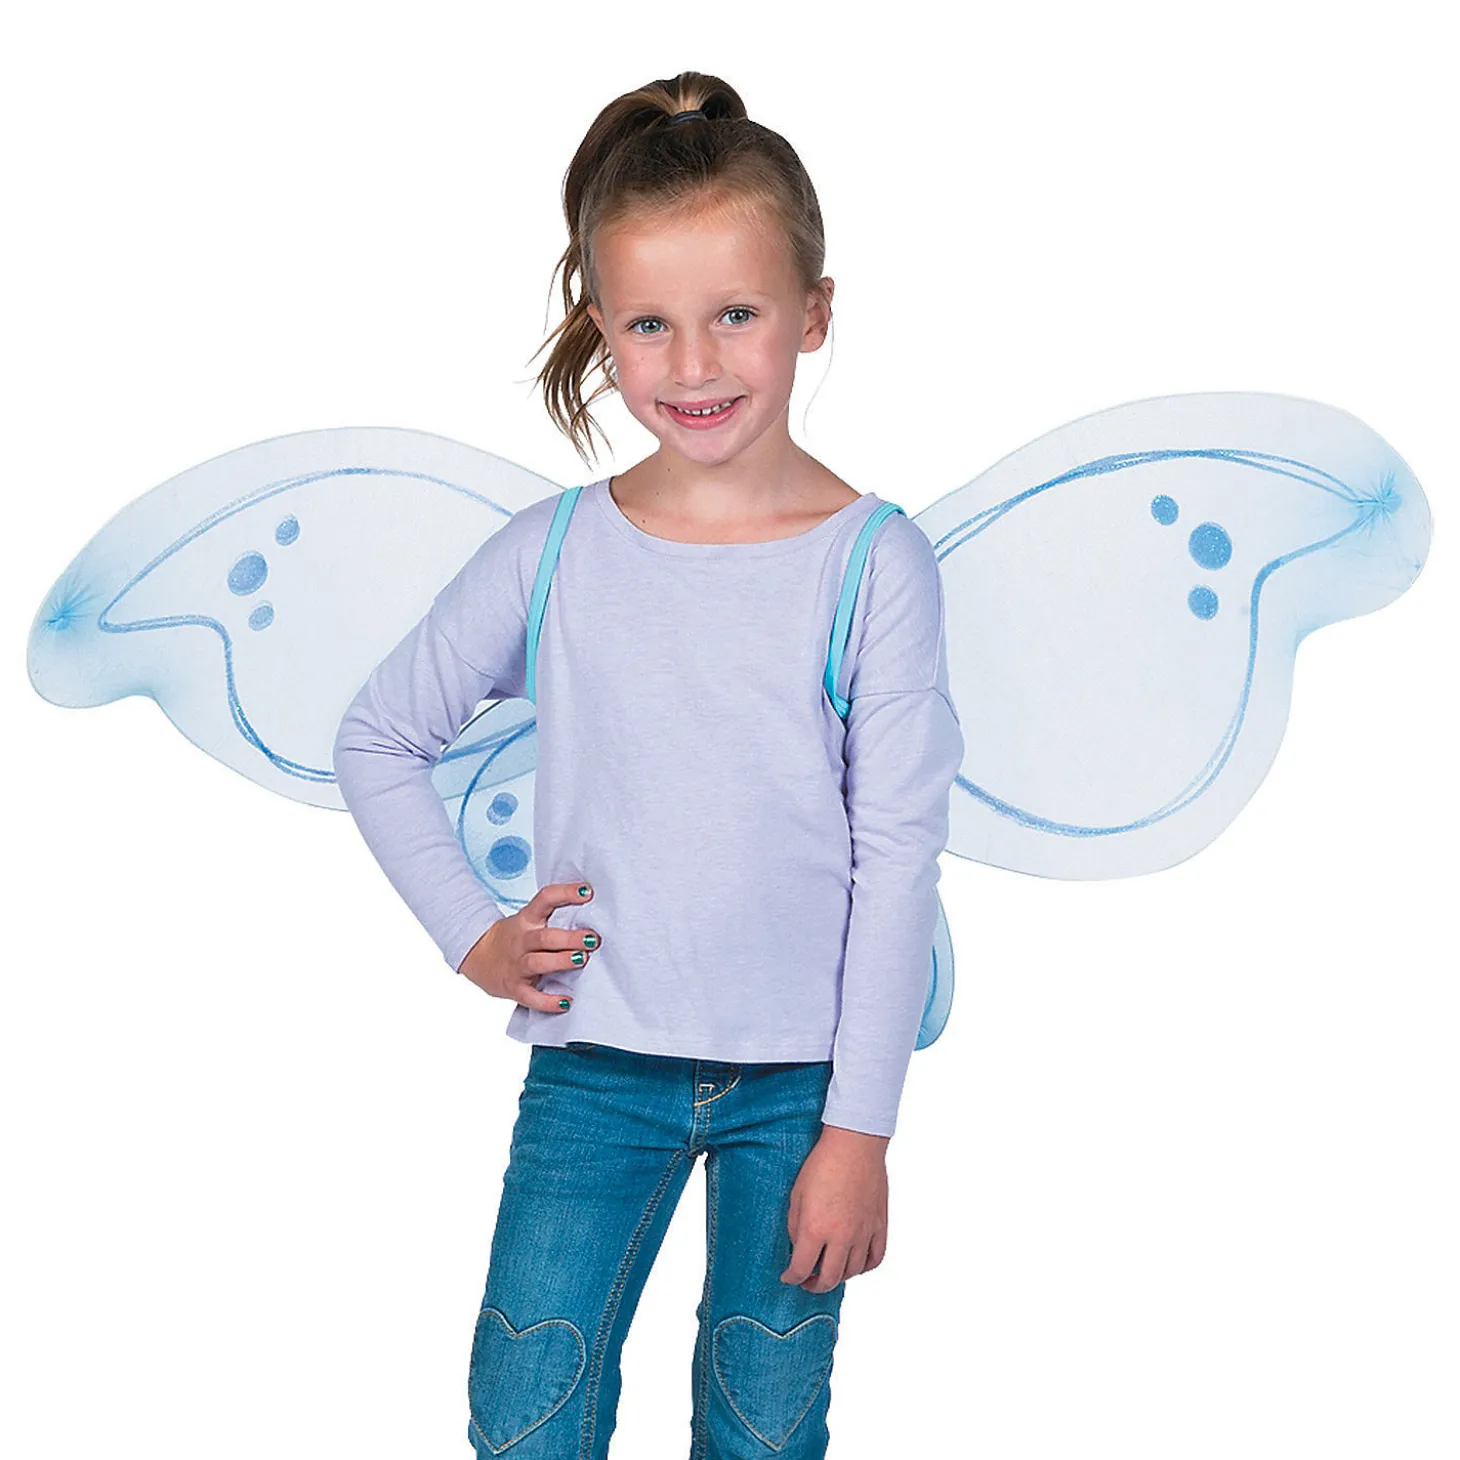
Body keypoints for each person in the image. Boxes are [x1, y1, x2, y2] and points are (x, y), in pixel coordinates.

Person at [332, 69, 964, 1460]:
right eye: (649, 325)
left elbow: (896, 858)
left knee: (762, 1427)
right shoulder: (553, 552)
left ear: (814, 312)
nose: (693, 366)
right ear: (601, 330)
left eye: (736, 314)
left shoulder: (873, 566)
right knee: (526, 1415)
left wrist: (860, 1133)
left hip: (801, 1090)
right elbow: (378, 734)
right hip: (593, 1074)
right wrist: (473, 936)